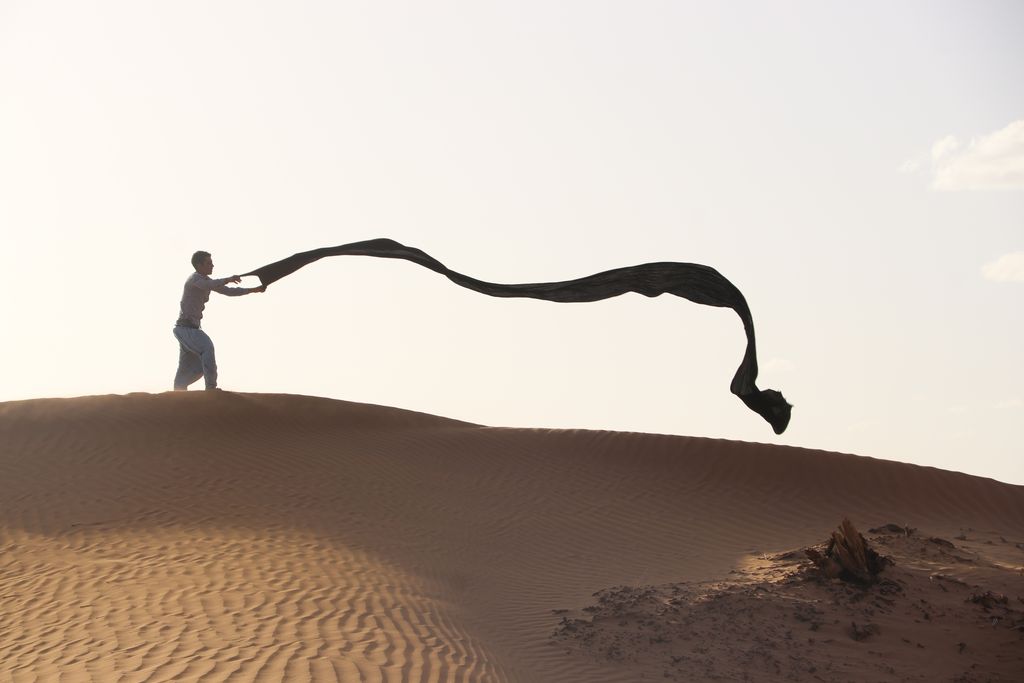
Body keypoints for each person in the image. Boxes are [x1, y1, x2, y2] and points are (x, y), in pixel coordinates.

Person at [173, 250, 264, 391]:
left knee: (197, 368)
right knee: (207, 348)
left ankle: (178, 394)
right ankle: (211, 389)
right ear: (199, 265)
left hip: (190, 329)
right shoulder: (194, 279)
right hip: (185, 329)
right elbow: (208, 285)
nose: (212, 265)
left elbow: (228, 291)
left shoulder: (207, 281)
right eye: (208, 263)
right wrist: (228, 279)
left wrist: (253, 290)